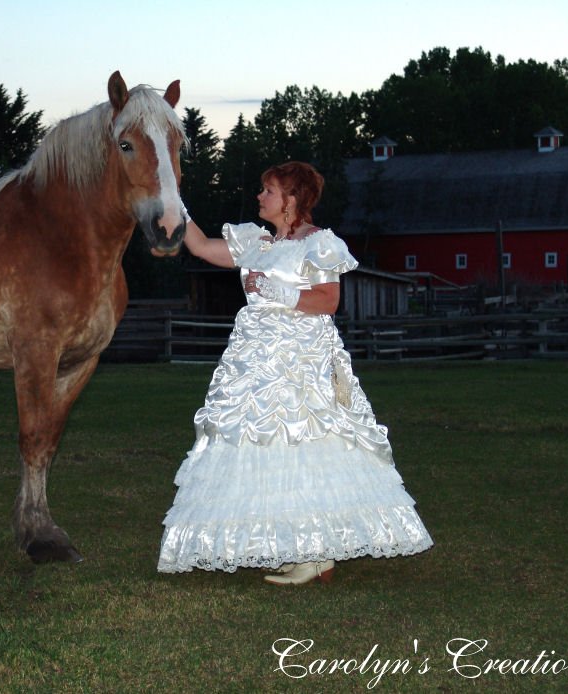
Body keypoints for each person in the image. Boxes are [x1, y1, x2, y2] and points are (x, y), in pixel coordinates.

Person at [157, 161, 433, 585]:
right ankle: (299, 546)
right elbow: (200, 247)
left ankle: (316, 552)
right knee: (264, 445)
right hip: (255, 363)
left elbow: (327, 300)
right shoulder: (257, 242)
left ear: (292, 199)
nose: (259, 197)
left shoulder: (319, 244)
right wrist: (175, 205)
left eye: (268, 190)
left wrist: (274, 289)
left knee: (307, 444)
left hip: (299, 361)